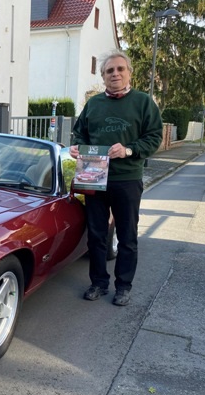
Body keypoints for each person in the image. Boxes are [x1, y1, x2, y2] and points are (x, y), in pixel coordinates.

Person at [69, 50, 163, 306]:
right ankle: (98, 283)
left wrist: (129, 150)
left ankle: (123, 286)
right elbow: (80, 133)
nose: (115, 74)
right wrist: (77, 147)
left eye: (120, 69)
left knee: (127, 236)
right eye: (109, 70)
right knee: (96, 235)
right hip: (94, 177)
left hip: (127, 179)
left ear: (129, 72)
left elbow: (154, 137)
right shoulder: (94, 104)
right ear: (103, 76)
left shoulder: (143, 102)